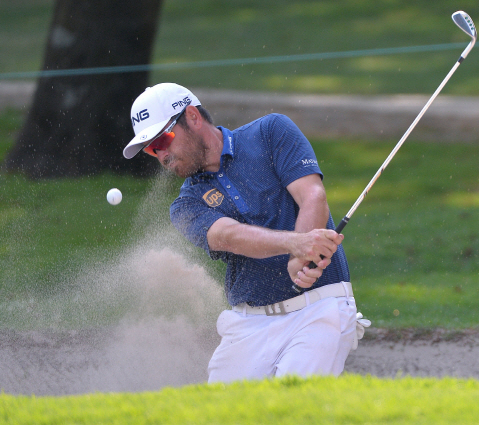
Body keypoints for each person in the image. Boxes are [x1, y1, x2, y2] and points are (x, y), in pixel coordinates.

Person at [123, 82, 368, 383]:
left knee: (292, 404)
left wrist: (300, 258)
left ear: (192, 117)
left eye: (163, 140)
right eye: (151, 148)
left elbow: (313, 196)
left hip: (319, 309)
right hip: (248, 324)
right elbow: (229, 236)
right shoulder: (185, 206)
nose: (161, 155)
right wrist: (297, 246)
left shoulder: (270, 132)